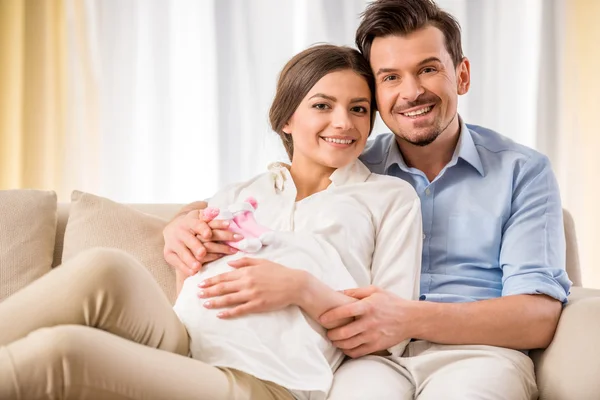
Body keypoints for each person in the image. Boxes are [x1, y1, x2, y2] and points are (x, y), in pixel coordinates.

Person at [163, 1, 572, 399]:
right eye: (390, 77)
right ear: (375, 92)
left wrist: (406, 319)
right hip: (363, 361)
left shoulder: (522, 171)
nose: (411, 92)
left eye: (428, 70)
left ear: (461, 75)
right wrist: (182, 222)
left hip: (475, 353)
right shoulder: (350, 159)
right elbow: (261, 198)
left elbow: (537, 318)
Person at [0, 44, 422, 400]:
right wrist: (184, 247)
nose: (343, 122)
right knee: (103, 267)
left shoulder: (388, 198)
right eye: (322, 106)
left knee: (66, 352)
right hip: (185, 342)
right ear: (286, 120)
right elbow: (191, 285)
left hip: (265, 378)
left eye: (359, 109)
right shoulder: (241, 194)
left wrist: (301, 289)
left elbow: (391, 331)